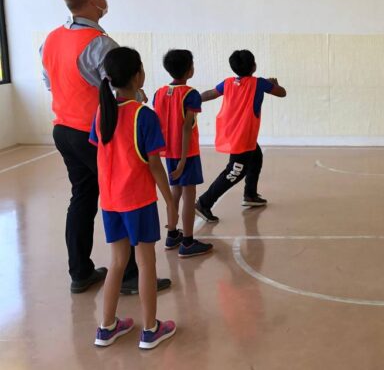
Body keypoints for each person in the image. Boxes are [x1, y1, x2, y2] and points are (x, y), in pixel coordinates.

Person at [40, 0, 169, 294]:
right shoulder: (99, 44)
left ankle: (81, 272)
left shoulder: (51, 39)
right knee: (122, 196)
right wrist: (141, 105)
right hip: (94, 133)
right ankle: (129, 276)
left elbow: (48, 82)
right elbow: (121, 91)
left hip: (63, 129)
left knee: (82, 197)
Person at [91, 47, 177, 350]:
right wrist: (170, 201)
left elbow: (101, 149)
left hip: (111, 202)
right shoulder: (144, 116)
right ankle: (151, 329)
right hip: (138, 201)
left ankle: (106, 327)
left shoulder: (102, 112)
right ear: (138, 75)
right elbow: (155, 165)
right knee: (146, 263)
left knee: (116, 263)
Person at [195, 50, 286, 222]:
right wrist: (275, 84)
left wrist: (193, 99)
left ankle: (250, 195)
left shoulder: (228, 82)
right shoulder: (259, 83)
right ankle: (204, 203)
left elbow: (210, 94)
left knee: (256, 158)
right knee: (234, 173)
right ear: (254, 66)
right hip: (241, 138)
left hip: (238, 134)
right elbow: (282, 93)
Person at [153, 49, 213, 257]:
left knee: (175, 192)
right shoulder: (191, 94)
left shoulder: (159, 93)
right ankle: (187, 241)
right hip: (186, 153)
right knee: (189, 195)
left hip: (168, 151)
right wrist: (183, 161)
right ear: (189, 70)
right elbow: (187, 128)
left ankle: (172, 233)